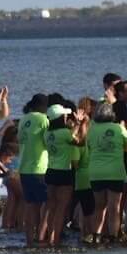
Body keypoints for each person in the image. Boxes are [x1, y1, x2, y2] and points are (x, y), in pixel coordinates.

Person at [87, 102, 127, 241]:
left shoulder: (92, 129)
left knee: (99, 206)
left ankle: (96, 235)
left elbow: (89, 146)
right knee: (114, 207)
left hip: (96, 172)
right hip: (115, 172)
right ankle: (113, 235)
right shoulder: (119, 128)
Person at [44, 104, 83, 245]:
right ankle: (55, 239)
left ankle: (49, 237)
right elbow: (77, 142)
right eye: (65, 115)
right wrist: (79, 124)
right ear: (61, 118)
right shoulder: (65, 133)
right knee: (61, 208)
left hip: (50, 171)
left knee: (51, 207)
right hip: (64, 172)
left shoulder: (47, 134)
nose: (67, 117)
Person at [17, 94, 51, 244]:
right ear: (44, 106)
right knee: (46, 203)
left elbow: (20, 139)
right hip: (39, 167)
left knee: (30, 205)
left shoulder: (24, 119)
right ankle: (41, 236)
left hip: (24, 168)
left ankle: (29, 239)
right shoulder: (43, 119)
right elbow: (48, 141)